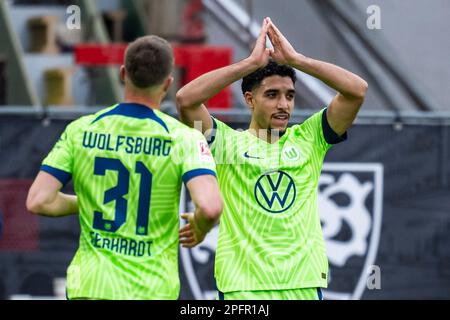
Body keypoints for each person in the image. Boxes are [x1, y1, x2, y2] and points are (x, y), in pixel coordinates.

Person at [176, 18, 368, 300]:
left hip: (302, 285)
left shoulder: (311, 138)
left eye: (290, 95)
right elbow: (185, 100)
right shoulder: (225, 143)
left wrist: (297, 60)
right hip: (242, 288)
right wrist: (249, 64)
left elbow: (357, 90)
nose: (283, 105)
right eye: (272, 94)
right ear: (250, 99)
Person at [26, 35, 223, 300]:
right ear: (167, 83)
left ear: (122, 73)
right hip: (150, 289)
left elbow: (38, 200)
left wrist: (87, 201)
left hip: (91, 286)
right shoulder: (183, 138)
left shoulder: (81, 130)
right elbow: (210, 207)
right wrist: (199, 228)